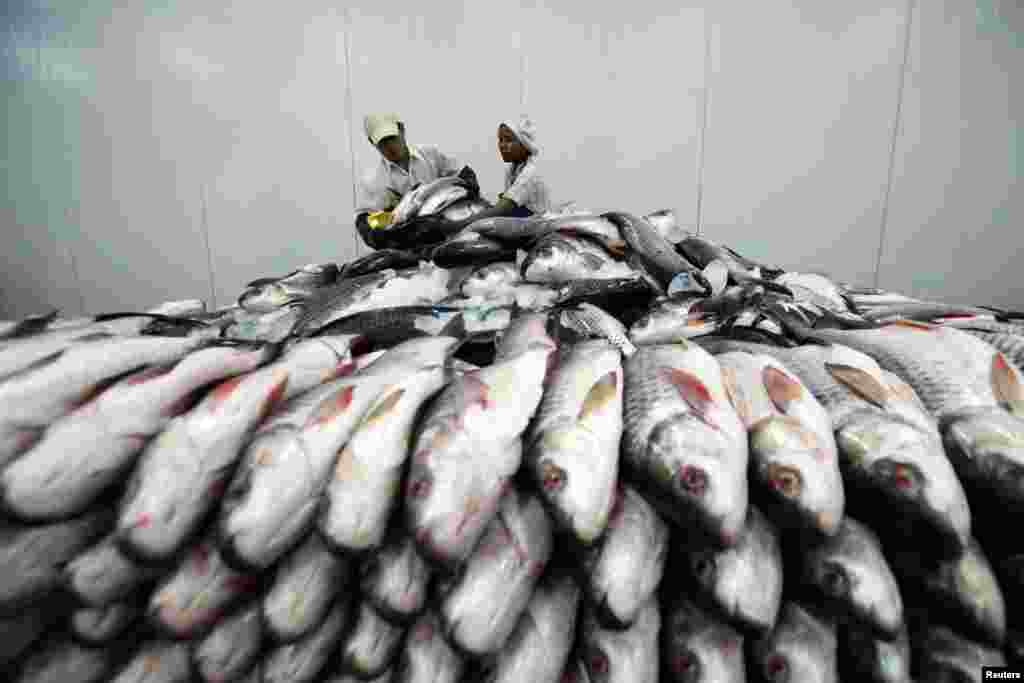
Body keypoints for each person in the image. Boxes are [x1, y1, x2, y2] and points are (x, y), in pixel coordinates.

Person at [354, 112, 479, 250]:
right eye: (383, 142)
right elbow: (367, 222)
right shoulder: (373, 181)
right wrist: (382, 233)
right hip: (410, 248)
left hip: (450, 236)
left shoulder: (432, 155)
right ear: (372, 143)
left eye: (392, 138)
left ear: (401, 130)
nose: (390, 146)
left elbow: (465, 178)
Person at [447, 114, 555, 231]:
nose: (502, 145)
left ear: (525, 144)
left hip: (536, 231)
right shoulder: (512, 169)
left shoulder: (530, 174)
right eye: (500, 140)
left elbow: (502, 209)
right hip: (522, 225)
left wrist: (454, 226)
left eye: (508, 140)